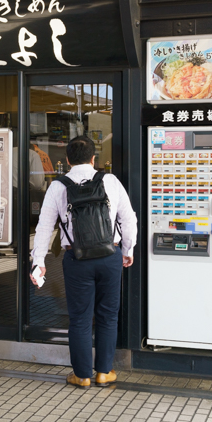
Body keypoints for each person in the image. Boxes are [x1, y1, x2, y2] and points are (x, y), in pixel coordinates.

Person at [30, 135, 137, 388]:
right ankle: (104, 372)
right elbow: (128, 218)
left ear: (68, 160)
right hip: (109, 256)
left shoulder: (58, 186)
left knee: (80, 318)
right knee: (108, 315)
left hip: (76, 258)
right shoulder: (110, 181)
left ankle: (82, 375)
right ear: (93, 159)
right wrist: (127, 249)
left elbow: (44, 226)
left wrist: (39, 261)